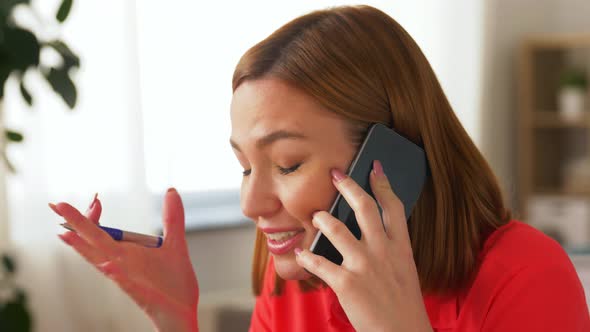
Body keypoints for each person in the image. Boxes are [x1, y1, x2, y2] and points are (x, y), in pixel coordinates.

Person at [49, 5, 590, 332]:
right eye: (243, 167)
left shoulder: (523, 275)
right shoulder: (297, 277)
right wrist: (176, 320)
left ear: (388, 161)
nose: (251, 204)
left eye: (286, 163)